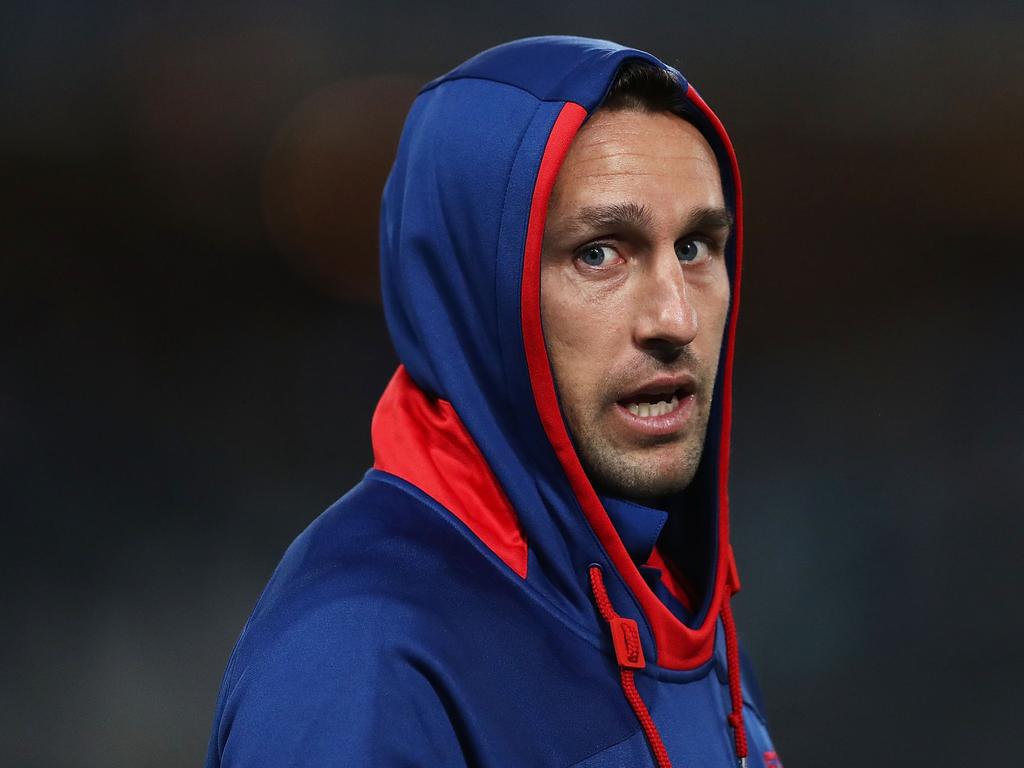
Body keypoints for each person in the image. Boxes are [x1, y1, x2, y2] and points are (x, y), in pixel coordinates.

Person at [205, 36, 782, 768]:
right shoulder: (363, 658)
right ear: (474, 292)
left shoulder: (674, 592)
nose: (676, 318)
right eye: (600, 251)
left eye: (697, 246)